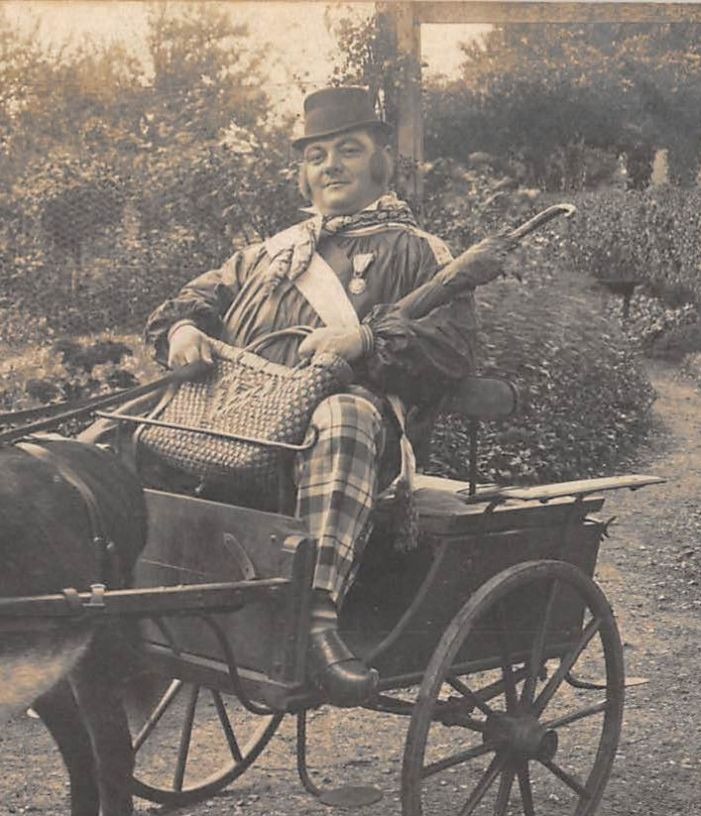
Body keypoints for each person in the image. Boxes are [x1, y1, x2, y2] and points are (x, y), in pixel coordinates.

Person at [144, 86, 478, 706]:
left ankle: (318, 620)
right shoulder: (270, 252)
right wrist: (185, 329)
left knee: (342, 412)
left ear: (381, 160)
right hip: (240, 429)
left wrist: (365, 340)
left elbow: (453, 348)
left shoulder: (420, 252)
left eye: (348, 150)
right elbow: (190, 300)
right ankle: (112, 596)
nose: (330, 166)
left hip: (353, 451)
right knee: (125, 419)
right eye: (316, 154)